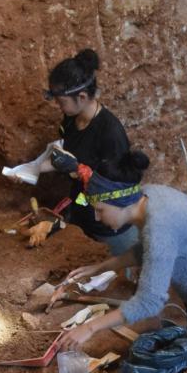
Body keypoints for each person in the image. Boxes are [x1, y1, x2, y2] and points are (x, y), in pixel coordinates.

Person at [51, 152, 187, 373]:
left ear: (120, 202)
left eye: (100, 210)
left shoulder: (160, 226)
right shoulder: (148, 197)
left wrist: (89, 328)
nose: (98, 218)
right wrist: (101, 268)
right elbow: (148, 250)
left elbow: (149, 302)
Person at [38, 49, 139, 255]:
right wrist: (32, 170)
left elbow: (118, 191)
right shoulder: (71, 119)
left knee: (113, 280)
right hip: (81, 214)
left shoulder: (111, 134)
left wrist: (77, 169)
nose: (59, 106)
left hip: (109, 227)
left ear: (82, 96)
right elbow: (68, 157)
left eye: (62, 102)